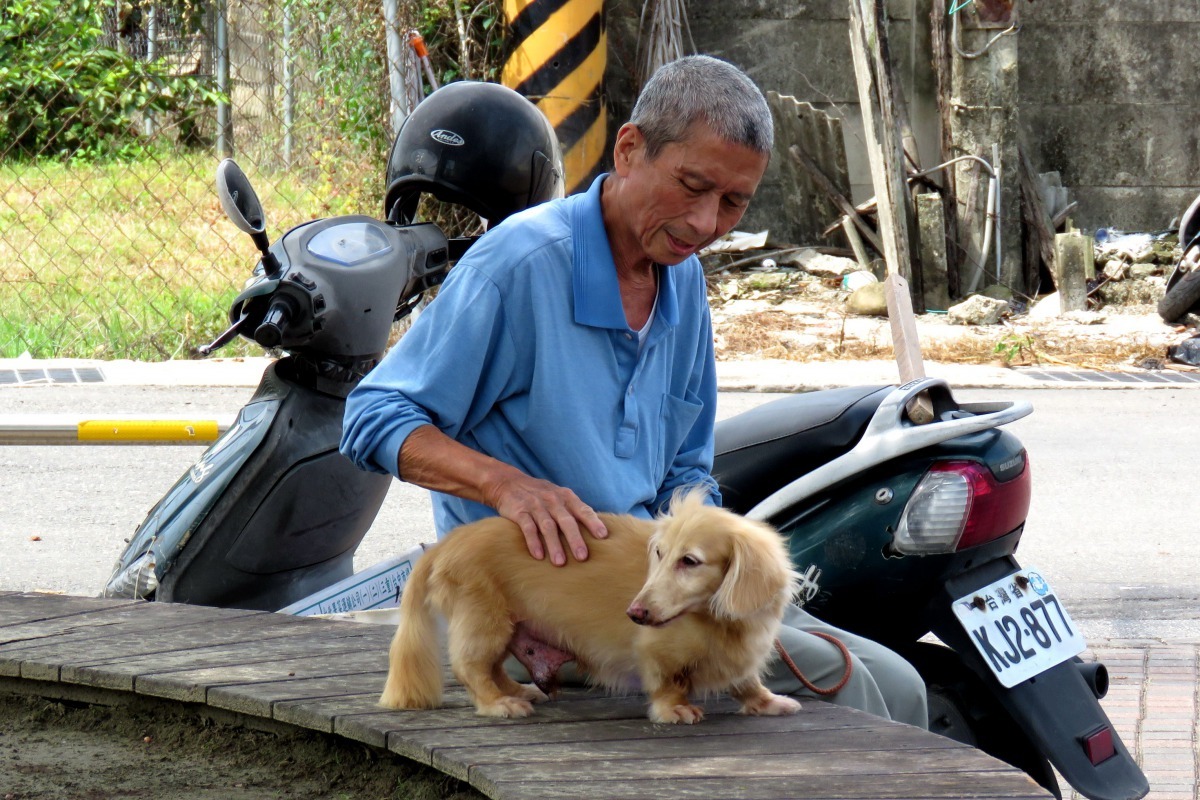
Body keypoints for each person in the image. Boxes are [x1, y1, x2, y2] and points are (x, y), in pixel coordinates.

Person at [340, 56, 927, 728]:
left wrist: (715, 572)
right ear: (629, 150)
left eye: (733, 202)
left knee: (898, 678)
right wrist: (506, 486)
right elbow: (373, 415)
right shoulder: (521, 265)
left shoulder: (683, 282)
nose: (707, 222)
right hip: (566, 611)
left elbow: (686, 473)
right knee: (861, 695)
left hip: (661, 586)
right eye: (692, 186)